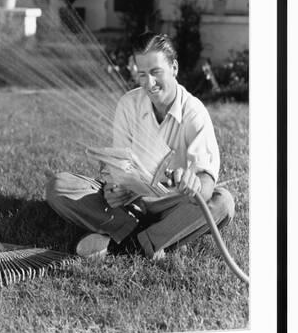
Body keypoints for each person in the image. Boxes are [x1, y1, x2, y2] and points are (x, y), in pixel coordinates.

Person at [45, 32, 234, 260]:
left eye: (155, 73)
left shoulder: (194, 113)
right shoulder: (128, 104)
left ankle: (125, 244)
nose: (149, 84)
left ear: (174, 68)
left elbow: (206, 184)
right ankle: (159, 239)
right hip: (130, 206)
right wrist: (113, 190)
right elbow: (118, 168)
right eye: (142, 75)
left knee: (223, 202)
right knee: (58, 185)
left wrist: (193, 183)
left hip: (175, 206)